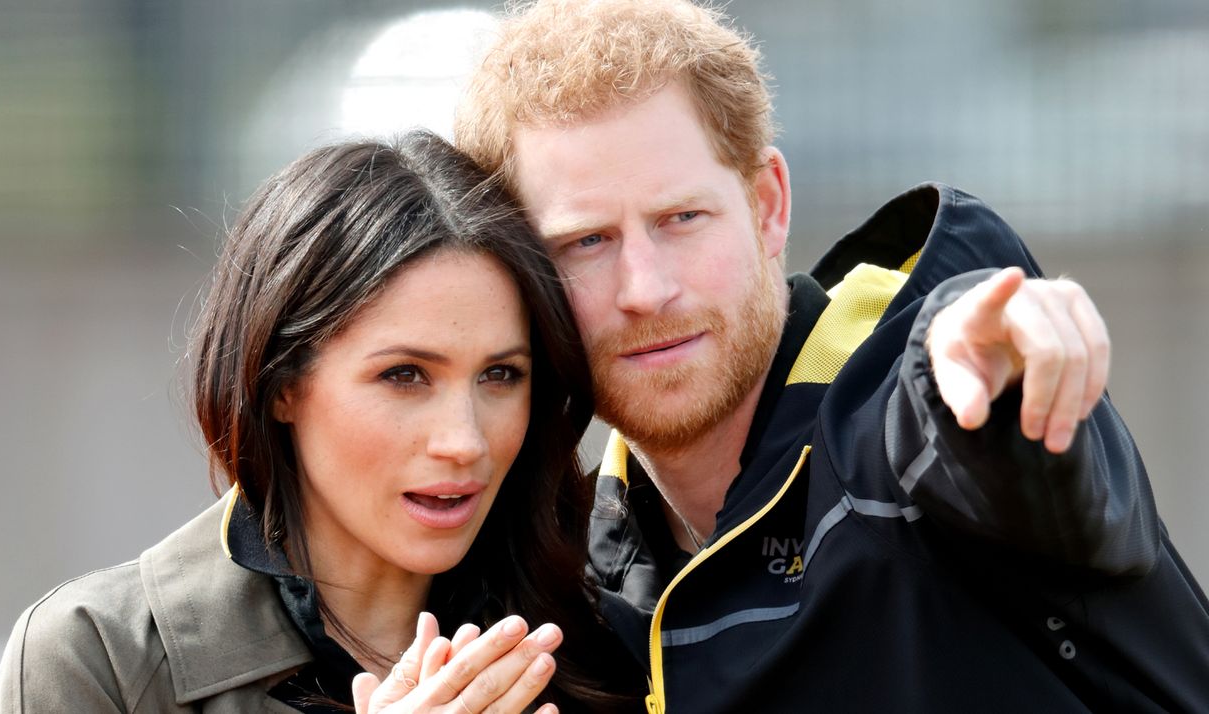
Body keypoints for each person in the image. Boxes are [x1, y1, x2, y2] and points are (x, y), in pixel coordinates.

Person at [453, 0, 1209, 711]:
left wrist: (995, 383)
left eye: (682, 218)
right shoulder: (577, 584)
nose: (645, 289)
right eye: (587, 241)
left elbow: (986, 447)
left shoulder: (904, 420)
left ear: (768, 206)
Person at [0, 131, 641, 713]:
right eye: (405, 375)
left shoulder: (608, 627)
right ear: (282, 384)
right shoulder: (98, 660)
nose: (465, 441)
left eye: (500, 375)